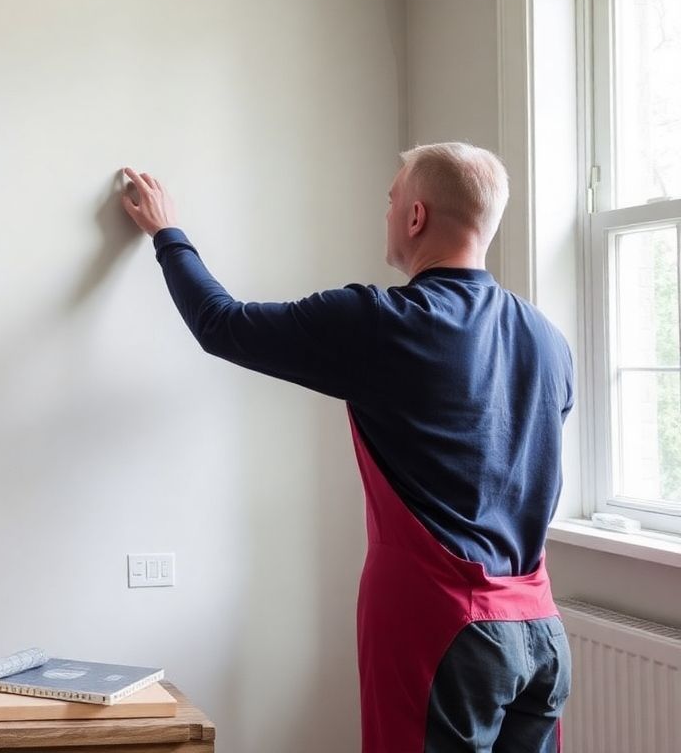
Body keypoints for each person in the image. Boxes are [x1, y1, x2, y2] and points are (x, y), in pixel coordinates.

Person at [120, 143, 573, 752]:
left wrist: (167, 232)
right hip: (540, 632)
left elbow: (221, 324)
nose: (385, 214)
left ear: (415, 216)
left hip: (445, 631)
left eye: (391, 201)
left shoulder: (383, 322)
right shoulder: (548, 339)